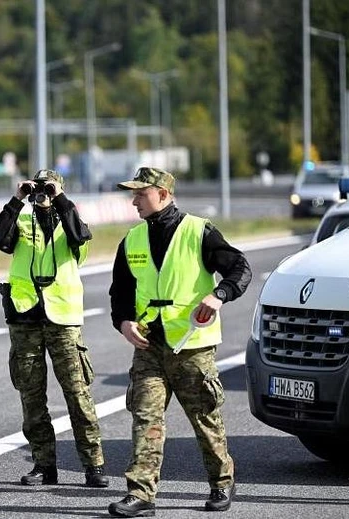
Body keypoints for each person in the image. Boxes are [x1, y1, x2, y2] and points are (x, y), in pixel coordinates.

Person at [107, 167, 251, 517]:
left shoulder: (198, 231)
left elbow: (240, 268)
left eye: (141, 194)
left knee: (205, 418)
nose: (134, 200)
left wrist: (218, 295)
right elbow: (121, 293)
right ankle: (141, 494)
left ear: (163, 194)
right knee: (145, 417)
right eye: (134, 194)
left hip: (191, 345)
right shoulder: (133, 239)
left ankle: (221, 483)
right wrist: (124, 323)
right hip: (149, 346)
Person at [0, 169, 109, 488]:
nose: (41, 192)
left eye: (48, 188)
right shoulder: (23, 220)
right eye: (38, 188)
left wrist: (60, 199)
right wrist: (17, 200)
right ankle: (43, 465)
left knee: (77, 393)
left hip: (63, 319)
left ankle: (93, 464)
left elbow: (80, 239)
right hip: (25, 316)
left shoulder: (71, 222)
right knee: (31, 395)